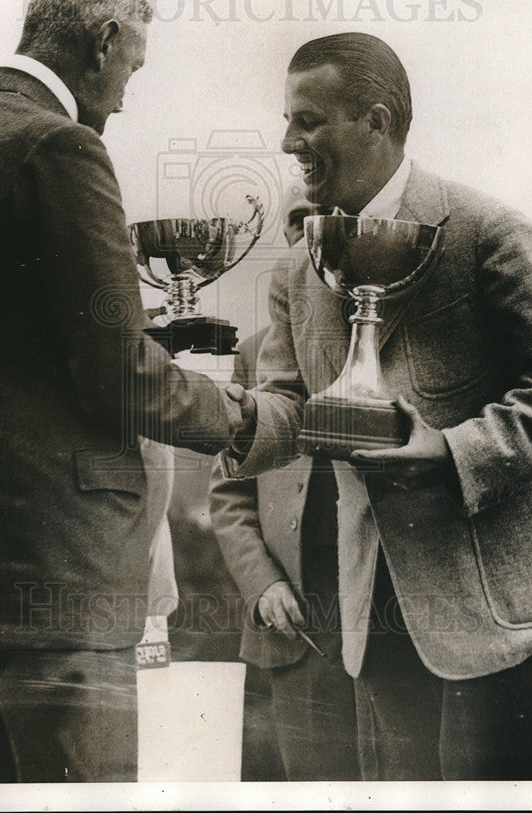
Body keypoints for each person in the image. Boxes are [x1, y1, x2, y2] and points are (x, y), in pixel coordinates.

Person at [0, 0, 243, 783]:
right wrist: (247, 417)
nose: (126, 92)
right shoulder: (62, 149)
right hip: (62, 583)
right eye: (132, 67)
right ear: (103, 39)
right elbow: (121, 379)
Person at [220, 32, 532, 780]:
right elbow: (289, 405)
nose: (288, 140)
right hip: (375, 624)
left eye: (308, 119)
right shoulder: (298, 270)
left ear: (378, 119)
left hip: (509, 624)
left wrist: (453, 452)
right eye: (288, 120)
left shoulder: (487, 230)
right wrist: (218, 419)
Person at [210, 193, 360, 781]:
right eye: (300, 221)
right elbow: (229, 490)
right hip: (293, 614)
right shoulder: (254, 353)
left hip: (381, 601)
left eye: (327, 219)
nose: (312, 233)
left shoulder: (387, 335)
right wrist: (262, 581)